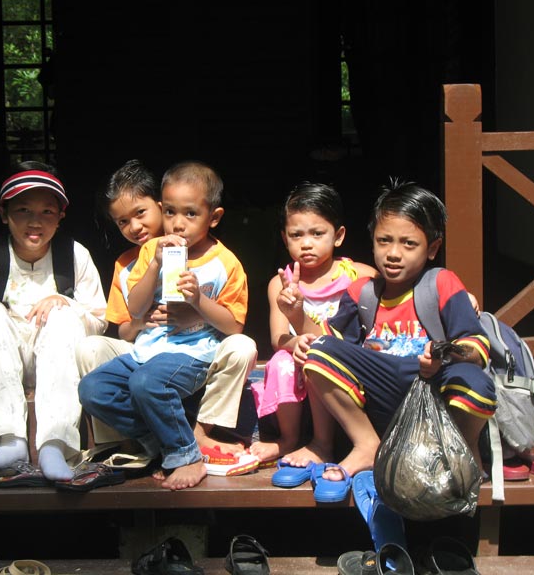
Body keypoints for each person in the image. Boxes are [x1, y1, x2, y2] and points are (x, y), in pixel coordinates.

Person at [280, 180, 496, 487]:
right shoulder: (361, 293)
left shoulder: (441, 284)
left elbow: (475, 346)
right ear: (372, 242)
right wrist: (296, 315)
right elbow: (328, 344)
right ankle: (367, 444)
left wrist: (442, 354)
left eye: (409, 244)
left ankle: (463, 447)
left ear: (433, 248)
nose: (393, 253)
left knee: (475, 383)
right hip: (382, 396)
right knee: (318, 352)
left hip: (432, 389)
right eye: (384, 241)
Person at [79, 160, 249, 490]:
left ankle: (186, 455)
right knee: (92, 389)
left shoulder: (224, 262)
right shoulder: (150, 252)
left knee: (146, 383)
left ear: (213, 217)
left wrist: (198, 302)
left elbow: (235, 326)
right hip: (147, 350)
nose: (177, 223)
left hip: (193, 352)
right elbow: (135, 308)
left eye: (190, 214)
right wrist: (156, 262)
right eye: (170, 212)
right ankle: (158, 440)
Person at [0, 162, 107, 482]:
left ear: (61, 217)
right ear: (4, 214)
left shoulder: (74, 254)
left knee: (63, 315)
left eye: (47, 212)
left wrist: (66, 302)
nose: (35, 222)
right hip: (2, 361)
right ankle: (12, 440)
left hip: (58, 356)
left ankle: (54, 444)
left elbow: (100, 321)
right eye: (23, 210)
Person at [249, 182, 376, 465]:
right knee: (281, 362)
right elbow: (278, 337)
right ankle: (289, 439)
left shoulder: (359, 275)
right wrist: (296, 342)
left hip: (345, 364)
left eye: (317, 233)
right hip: (300, 360)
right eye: (296, 235)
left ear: (338, 235)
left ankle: (325, 444)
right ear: (284, 238)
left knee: (321, 357)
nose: (306, 243)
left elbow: (402, 293)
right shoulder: (279, 284)